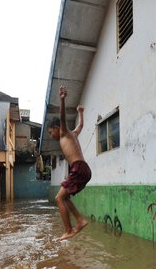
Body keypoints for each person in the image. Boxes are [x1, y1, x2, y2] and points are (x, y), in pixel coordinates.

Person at [47, 86, 91, 240]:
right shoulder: (73, 134)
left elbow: (63, 118)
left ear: (56, 128)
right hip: (83, 169)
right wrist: (80, 113)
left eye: (51, 132)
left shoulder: (64, 133)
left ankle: (68, 230)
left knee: (59, 198)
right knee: (64, 197)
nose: (51, 135)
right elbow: (81, 126)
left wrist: (62, 99)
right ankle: (80, 220)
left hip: (79, 168)